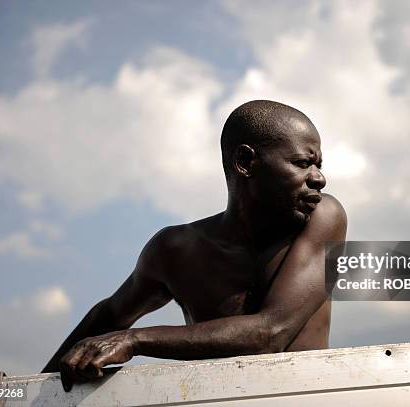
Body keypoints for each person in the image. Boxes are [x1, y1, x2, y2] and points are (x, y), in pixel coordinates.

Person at [42, 100, 347, 392]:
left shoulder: (324, 216)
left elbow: (271, 333)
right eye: (303, 163)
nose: (319, 178)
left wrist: (134, 341)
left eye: (318, 165)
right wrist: (22, 393)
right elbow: (110, 313)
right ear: (245, 162)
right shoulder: (175, 250)